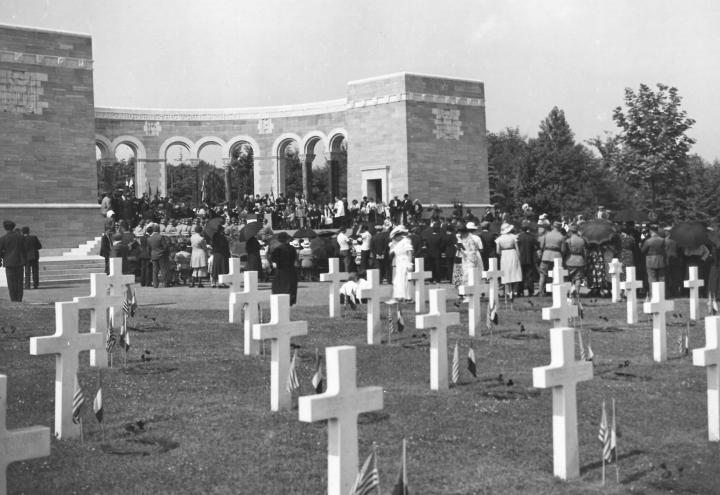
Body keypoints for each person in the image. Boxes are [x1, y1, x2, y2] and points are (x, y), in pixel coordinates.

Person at [453, 222, 483, 306]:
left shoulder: (470, 239)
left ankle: (469, 296)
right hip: (464, 260)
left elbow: (472, 252)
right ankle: (464, 295)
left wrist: (462, 250)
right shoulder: (462, 238)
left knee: (469, 277)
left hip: (470, 261)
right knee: (463, 278)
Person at [537, 221, 566, 296]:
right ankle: (550, 290)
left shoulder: (547, 235)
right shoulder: (561, 237)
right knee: (554, 274)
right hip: (556, 256)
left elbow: (542, 246)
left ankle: (540, 291)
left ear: (553, 226)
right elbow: (563, 250)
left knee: (543, 274)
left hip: (546, 255)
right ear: (559, 228)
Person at [0, 220, 26, 301]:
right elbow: (24, 249)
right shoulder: (20, 237)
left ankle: (13, 299)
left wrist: (3, 256)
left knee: (11, 283)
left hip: (9, 263)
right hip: (19, 262)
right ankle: (19, 299)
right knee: (19, 282)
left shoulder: (3, 238)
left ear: (5, 228)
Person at [388, 225, 414, 303]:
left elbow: (409, 252)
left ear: (398, 235)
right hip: (399, 262)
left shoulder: (406, 241)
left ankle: (407, 297)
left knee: (404, 280)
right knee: (397, 280)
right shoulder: (397, 243)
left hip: (404, 261)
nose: (395, 239)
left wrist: (409, 263)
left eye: (395, 237)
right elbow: (391, 254)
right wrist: (392, 246)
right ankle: (399, 296)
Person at [495, 223, 522, 299]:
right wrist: (519, 257)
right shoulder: (513, 237)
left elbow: (497, 251)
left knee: (506, 272)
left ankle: (508, 291)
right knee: (515, 271)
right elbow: (517, 248)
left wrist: (501, 255)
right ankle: (515, 291)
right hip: (513, 253)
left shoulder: (499, 239)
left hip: (504, 255)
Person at [271, 232, 299, 305]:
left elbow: (274, 262)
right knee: (290, 286)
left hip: (281, 270)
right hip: (291, 269)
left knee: (280, 287)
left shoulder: (277, 249)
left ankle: (280, 301)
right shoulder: (292, 248)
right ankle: (290, 300)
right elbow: (295, 258)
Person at [641, 224, 666, 298]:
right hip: (661, 259)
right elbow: (665, 250)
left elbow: (643, 251)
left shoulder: (648, 241)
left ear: (651, 231)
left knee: (652, 278)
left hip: (650, 260)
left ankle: (653, 295)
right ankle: (662, 295)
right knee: (662, 278)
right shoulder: (662, 240)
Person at [564, 224, 587, 297]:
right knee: (578, 278)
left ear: (570, 231)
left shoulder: (568, 240)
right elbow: (585, 252)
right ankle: (576, 293)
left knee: (569, 278)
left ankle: (570, 293)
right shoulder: (582, 240)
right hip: (580, 260)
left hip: (570, 260)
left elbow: (565, 251)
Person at [516, 222, 537, 296]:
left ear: (521, 229)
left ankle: (519, 291)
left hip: (520, 258)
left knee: (520, 275)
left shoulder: (518, 237)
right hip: (529, 258)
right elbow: (535, 247)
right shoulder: (531, 237)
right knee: (529, 276)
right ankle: (530, 291)